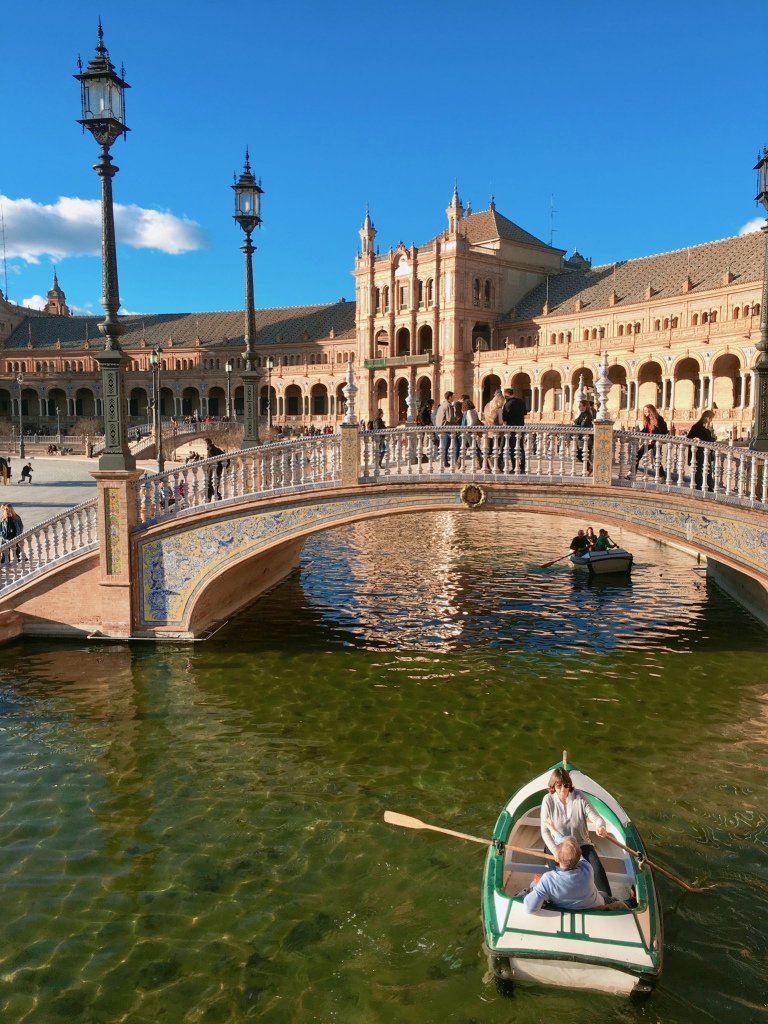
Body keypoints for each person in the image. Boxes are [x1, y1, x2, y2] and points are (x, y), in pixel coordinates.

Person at [541, 767, 613, 897]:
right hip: (557, 846)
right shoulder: (548, 800)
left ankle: (608, 900)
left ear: (570, 785)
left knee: (598, 871)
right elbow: (545, 832)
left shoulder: (579, 797)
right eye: (559, 786)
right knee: (556, 873)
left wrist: (600, 826)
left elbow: (597, 818)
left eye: (566, 785)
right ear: (553, 786)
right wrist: (555, 851)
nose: (563, 789)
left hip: (581, 844)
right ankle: (557, 899)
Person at [524, 837, 611, 914]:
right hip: (593, 905)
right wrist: (558, 834)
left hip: (564, 909)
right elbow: (578, 855)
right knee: (604, 895)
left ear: (557, 858)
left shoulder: (548, 879)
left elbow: (530, 909)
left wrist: (537, 888)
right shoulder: (587, 868)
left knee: (532, 885)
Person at [633, 404, 669, 480]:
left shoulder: (659, 419)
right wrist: (637, 433)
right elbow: (645, 430)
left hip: (657, 442)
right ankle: (631, 474)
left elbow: (663, 431)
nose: (645, 412)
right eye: (644, 411)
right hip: (649, 442)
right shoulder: (647, 420)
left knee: (657, 459)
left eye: (646, 410)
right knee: (638, 455)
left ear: (651, 411)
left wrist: (653, 438)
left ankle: (662, 476)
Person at [687, 409, 716, 491]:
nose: (711, 421)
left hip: (706, 454)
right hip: (698, 454)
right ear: (707, 418)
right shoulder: (697, 427)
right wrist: (695, 438)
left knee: (707, 471)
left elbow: (708, 439)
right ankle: (700, 489)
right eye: (711, 418)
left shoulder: (707, 429)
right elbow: (689, 438)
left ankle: (708, 488)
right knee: (699, 472)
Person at [501, 387, 526, 472]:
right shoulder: (521, 401)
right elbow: (525, 412)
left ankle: (515, 466)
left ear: (506, 394)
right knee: (521, 447)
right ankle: (523, 466)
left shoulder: (507, 404)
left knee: (513, 448)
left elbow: (504, 418)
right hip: (521, 427)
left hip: (512, 428)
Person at [434, 391, 458, 467]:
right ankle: (455, 462)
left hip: (440, 428)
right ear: (450, 397)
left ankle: (445, 462)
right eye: (453, 396)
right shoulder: (449, 406)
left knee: (445, 446)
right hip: (447, 428)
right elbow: (450, 419)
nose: (453, 398)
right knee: (456, 445)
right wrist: (457, 424)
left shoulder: (442, 405)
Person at [574, 399, 593, 468]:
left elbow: (584, 426)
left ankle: (589, 468)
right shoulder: (582, 414)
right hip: (580, 438)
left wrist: (575, 426)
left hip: (586, 438)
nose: (579, 407)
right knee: (579, 454)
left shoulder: (587, 415)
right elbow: (577, 422)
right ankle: (589, 468)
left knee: (582, 454)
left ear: (585, 406)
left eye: (580, 406)